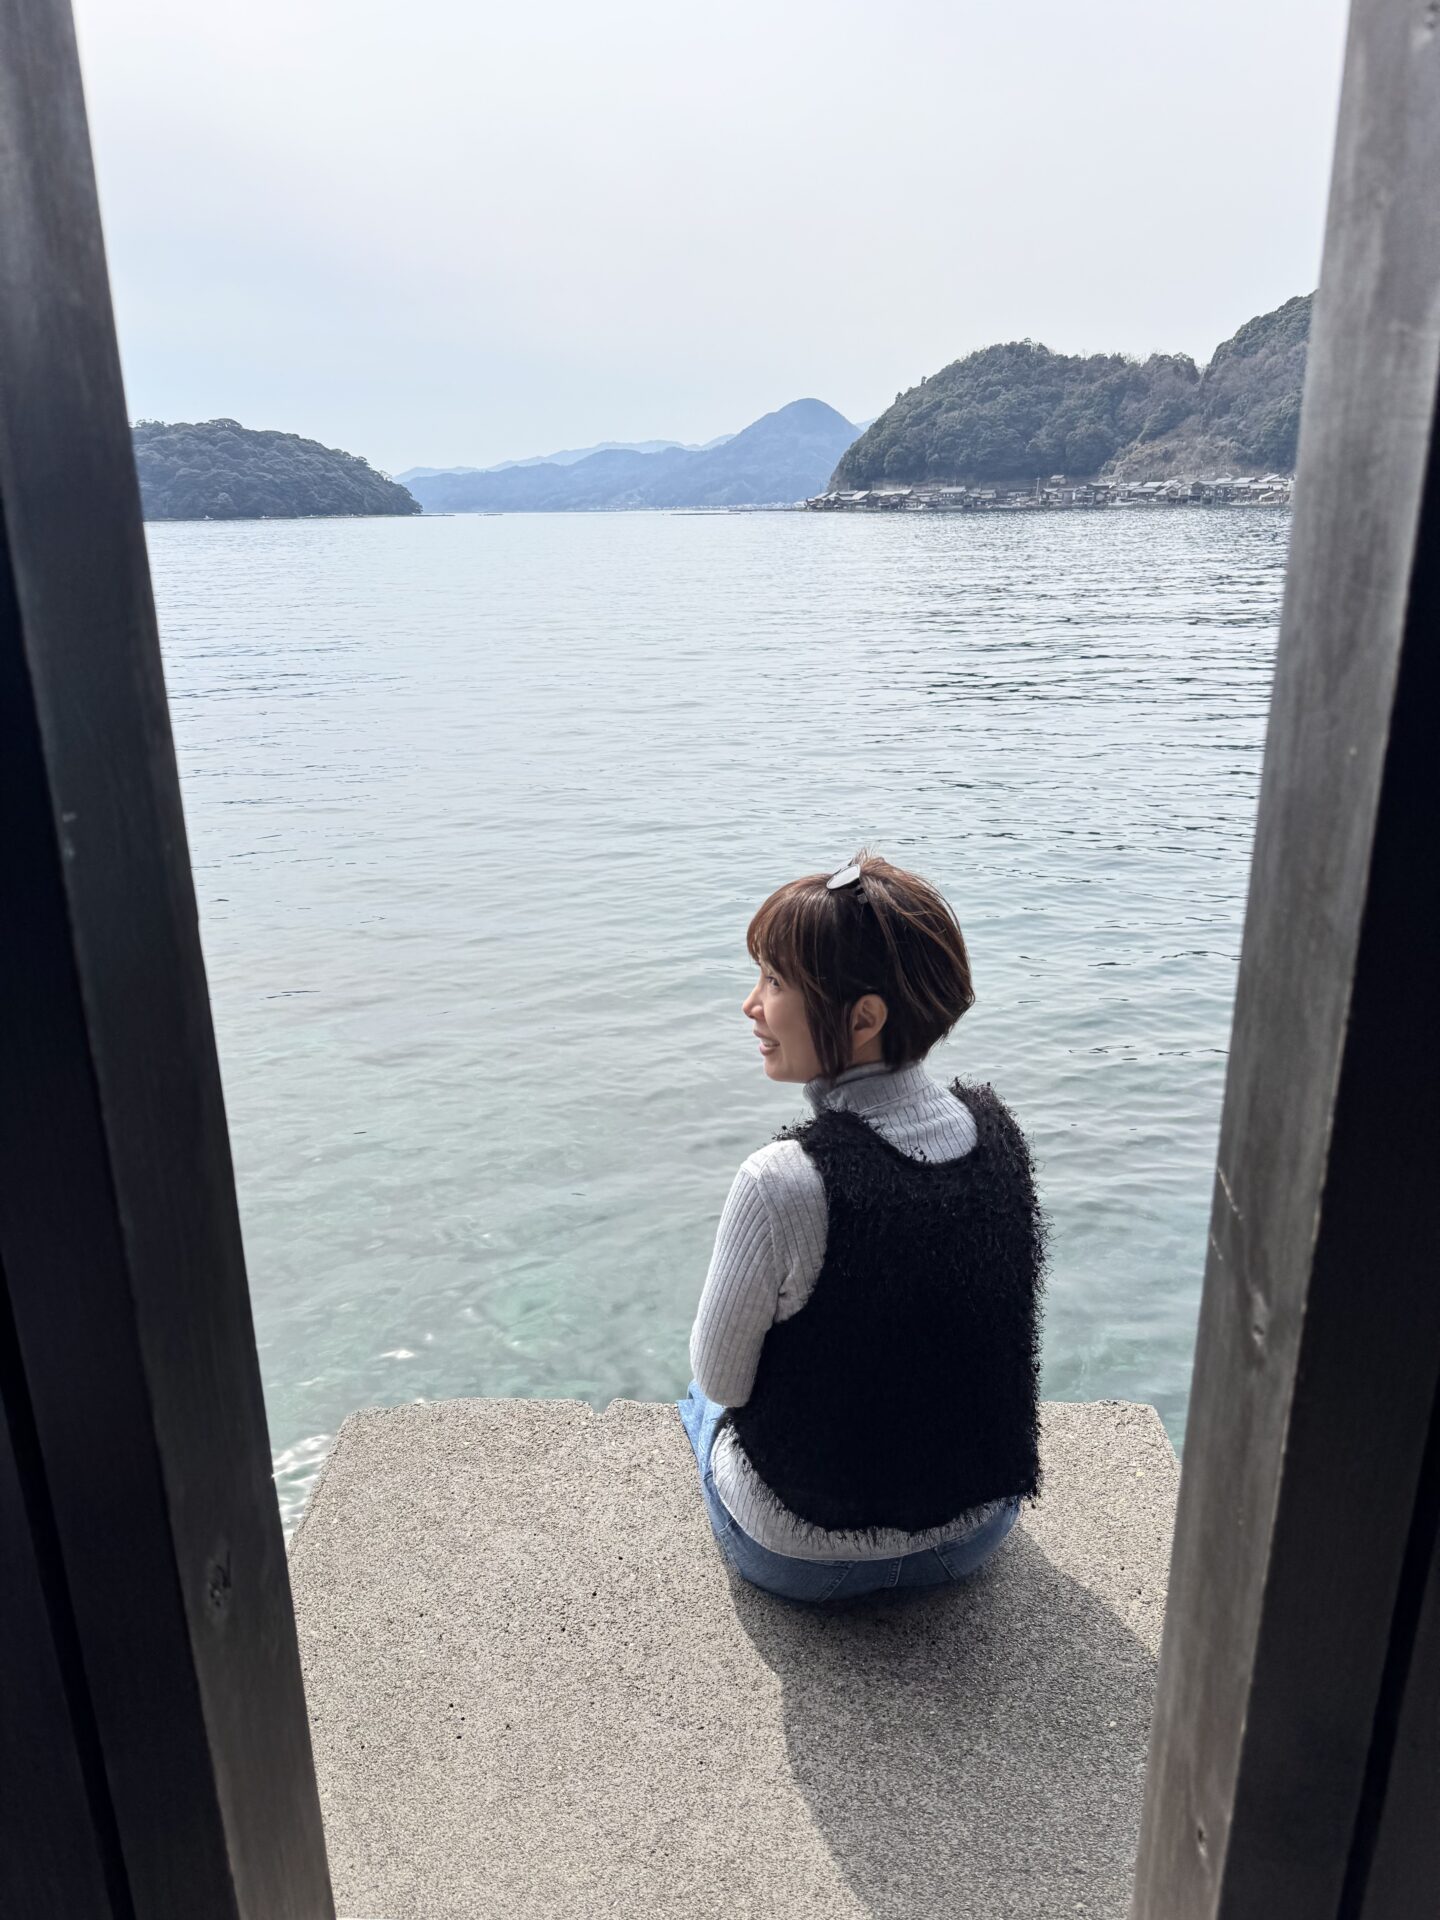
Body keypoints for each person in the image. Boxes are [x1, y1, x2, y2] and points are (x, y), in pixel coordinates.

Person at [679, 850, 1045, 1604]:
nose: (751, 1005)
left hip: (804, 1556)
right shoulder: (999, 1135)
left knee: (700, 1393)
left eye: (774, 982)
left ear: (864, 1018)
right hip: (974, 1535)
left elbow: (724, 1380)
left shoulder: (780, 1179)